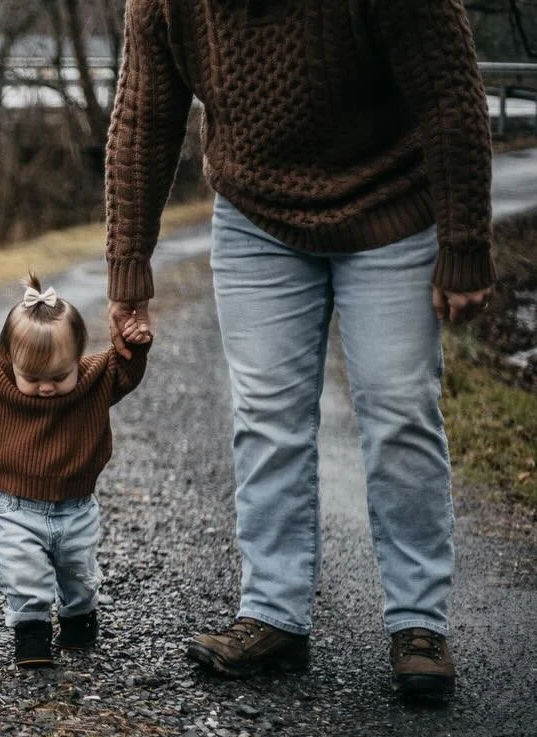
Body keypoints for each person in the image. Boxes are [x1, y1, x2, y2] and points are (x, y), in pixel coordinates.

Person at [104, 0, 494, 699]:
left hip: (390, 204)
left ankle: (418, 623)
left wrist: (464, 243)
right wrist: (129, 264)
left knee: (399, 407)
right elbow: (143, 116)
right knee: (266, 414)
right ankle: (273, 613)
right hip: (255, 216)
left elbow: (449, 93)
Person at [0, 273, 151, 668]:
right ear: (10, 361)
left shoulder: (94, 379)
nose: (47, 388)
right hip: (14, 507)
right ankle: (32, 635)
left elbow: (124, 370)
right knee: (23, 573)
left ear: (80, 357)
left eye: (60, 377)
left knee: (78, 573)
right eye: (34, 378)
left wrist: (133, 342)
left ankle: (79, 618)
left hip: (77, 507)